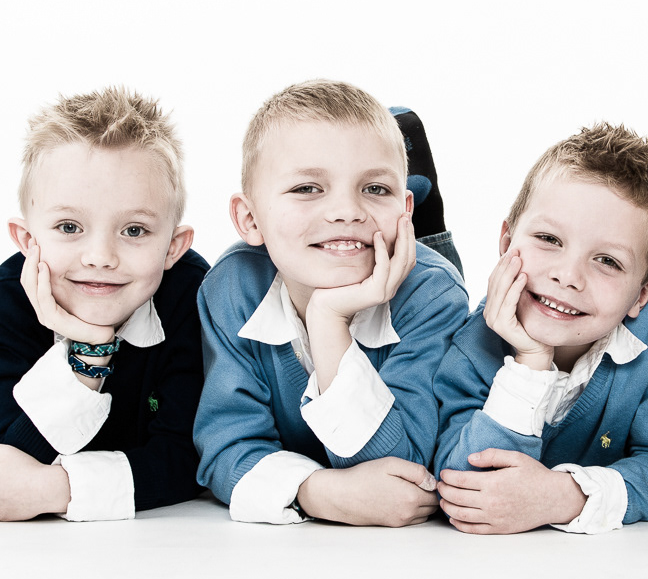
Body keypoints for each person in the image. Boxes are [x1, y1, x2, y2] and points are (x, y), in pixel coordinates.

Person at [193, 79, 468, 526]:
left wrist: (327, 319)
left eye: (374, 189)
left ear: (405, 210)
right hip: (345, 250)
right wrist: (316, 492)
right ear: (250, 218)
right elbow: (225, 447)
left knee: (430, 264)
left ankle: (423, 216)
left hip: (408, 270)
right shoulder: (230, 287)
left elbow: (405, 473)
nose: (346, 210)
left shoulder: (435, 296)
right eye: (307, 188)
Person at [434, 123, 648, 534]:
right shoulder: (474, 344)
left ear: (642, 294)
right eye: (549, 239)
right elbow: (467, 491)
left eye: (608, 261)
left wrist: (563, 497)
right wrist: (530, 362)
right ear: (506, 244)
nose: (568, 276)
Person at [0, 87, 207, 521]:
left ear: (172, 247)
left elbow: (191, 455)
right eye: (69, 227)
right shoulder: (4, 309)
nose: (100, 257)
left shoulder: (192, 297)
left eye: (134, 230)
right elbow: (2, 464)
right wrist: (89, 353)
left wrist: (59, 490)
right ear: (27, 239)